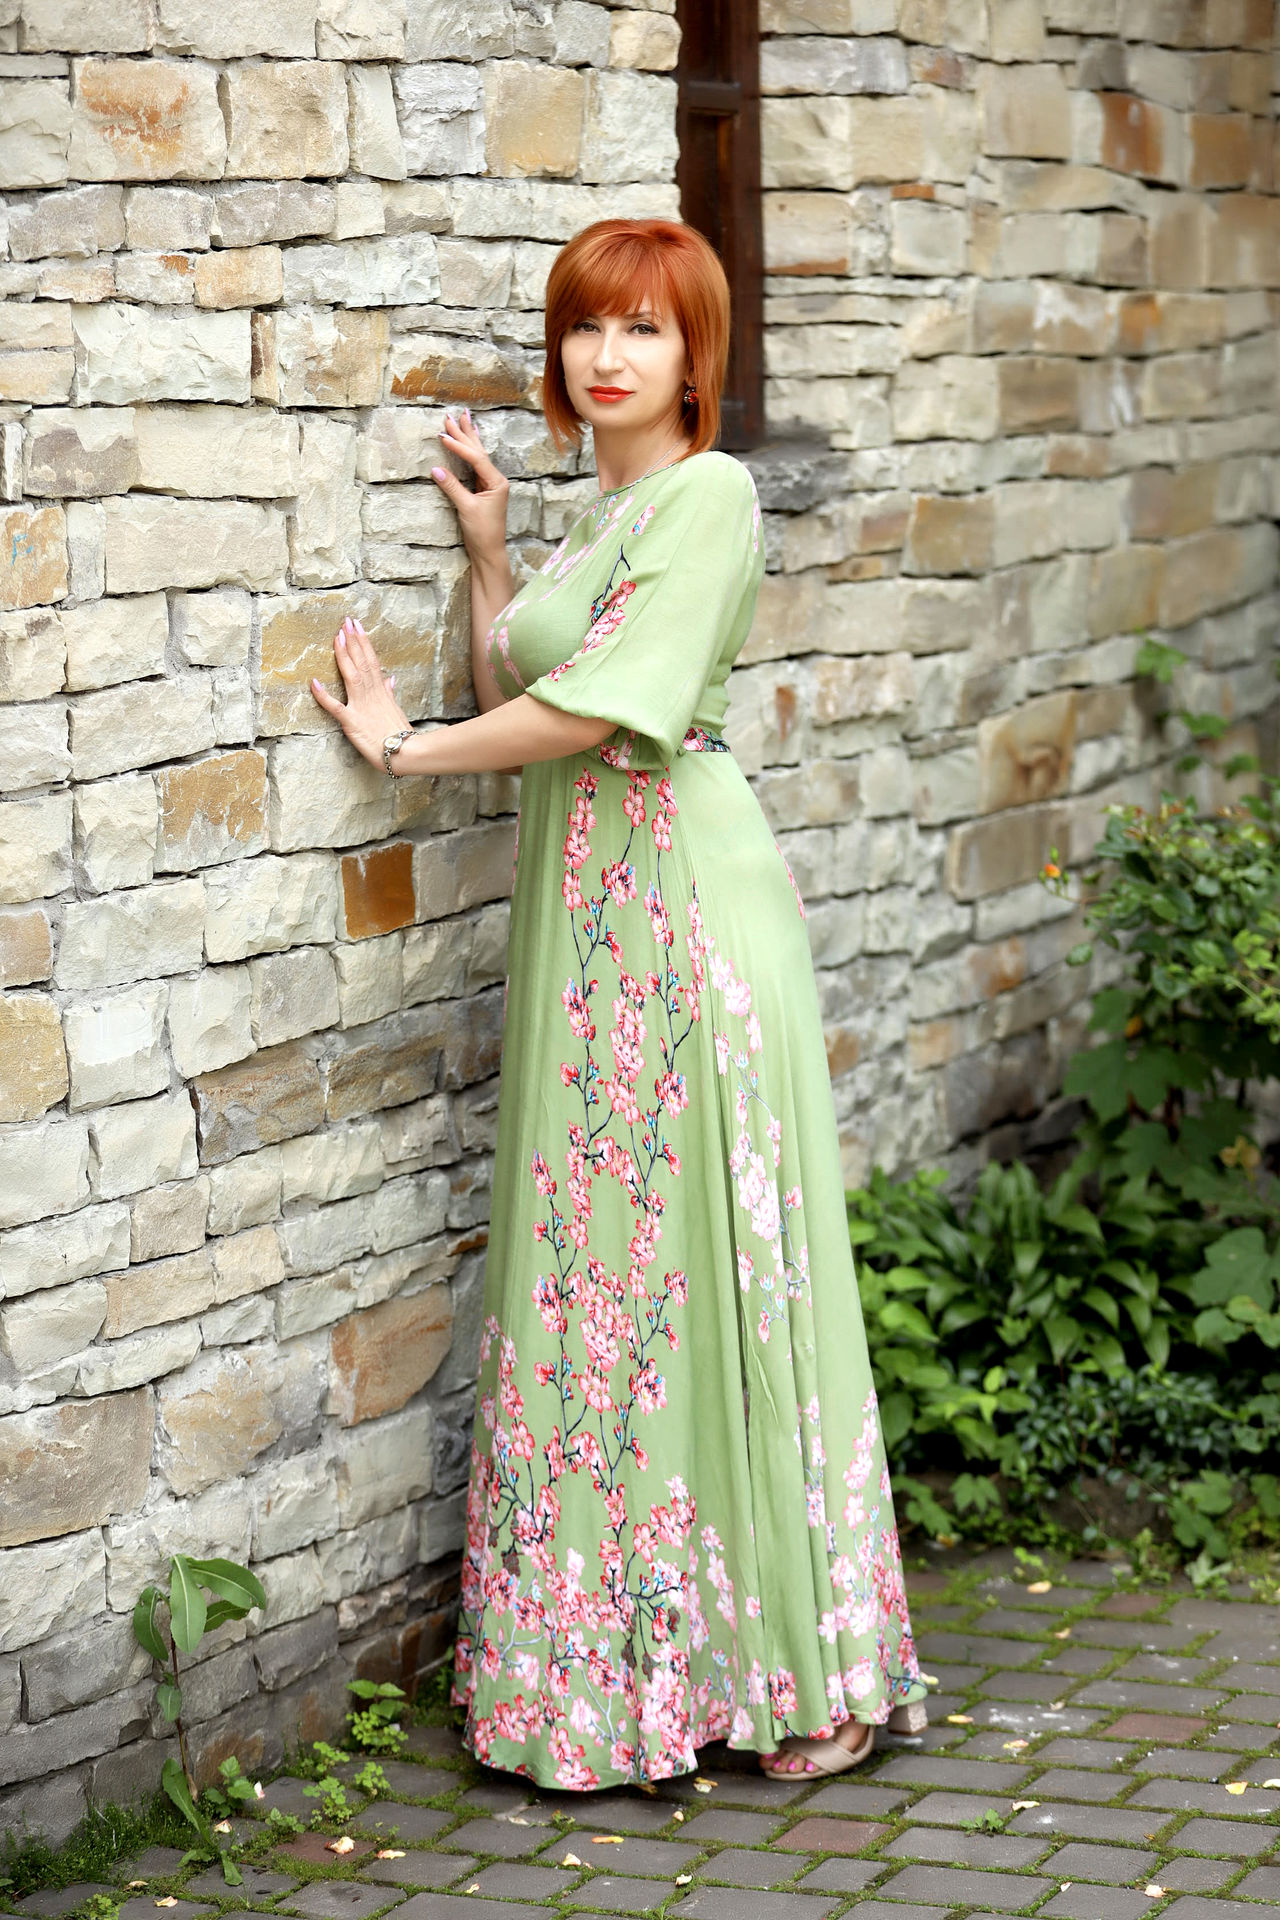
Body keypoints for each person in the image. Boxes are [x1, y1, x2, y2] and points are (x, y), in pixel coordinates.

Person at [311, 216, 927, 1787]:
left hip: (686, 910)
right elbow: (528, 682)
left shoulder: (712, 494)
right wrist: (493, 557)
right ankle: (641, 1673)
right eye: (587, 326)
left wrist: (403, 750)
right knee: (613, 1281)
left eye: (645, 329)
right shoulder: (607, 517)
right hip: (590, 926)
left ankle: (809, 1673)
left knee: (718, 1270)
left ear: (695, 355)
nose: (607, 355)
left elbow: (594, 715)